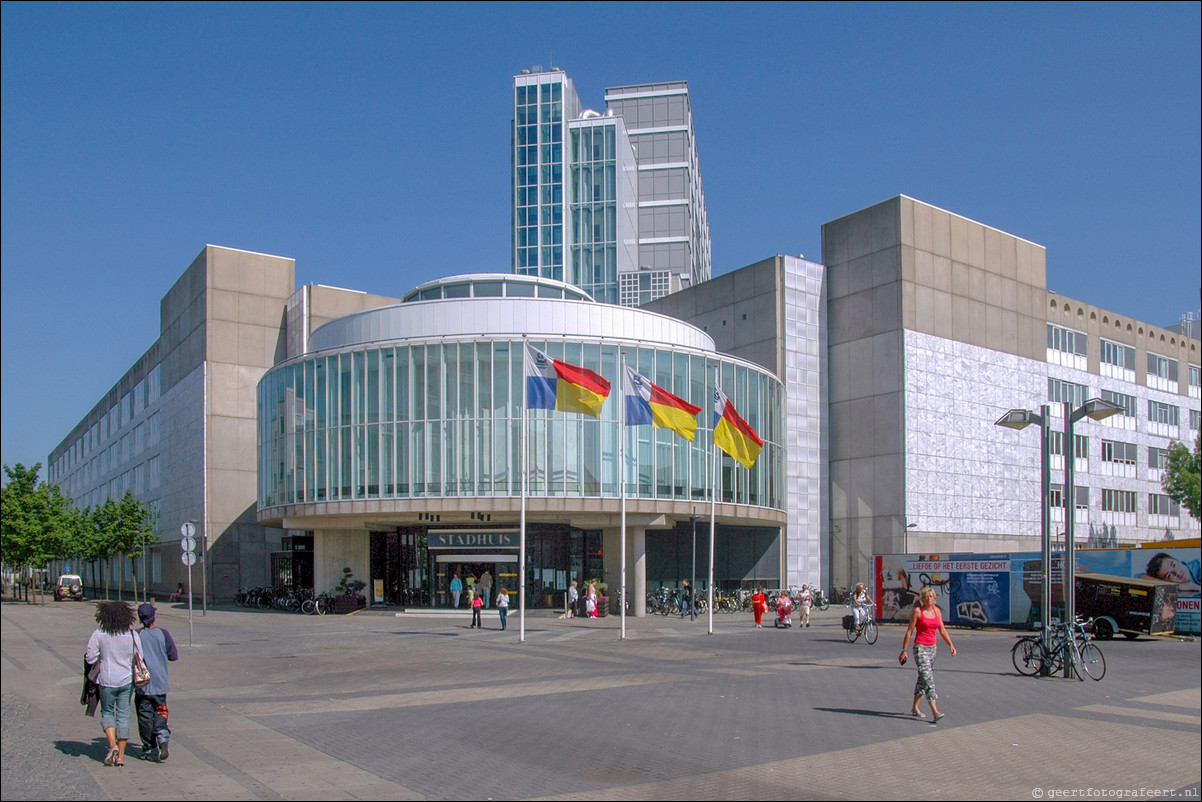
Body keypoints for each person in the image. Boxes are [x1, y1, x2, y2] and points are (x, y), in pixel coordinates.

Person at [85, 601, 143, 767]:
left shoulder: (99, 633)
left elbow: (90, 657)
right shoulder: (132, 635)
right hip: (126, 680)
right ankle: (121, 757)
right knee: (124, 714)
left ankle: (112, 745)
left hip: (107, 680)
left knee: (108, 711)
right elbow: (140, 655)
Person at [899, 586, 957, 722]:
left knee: (922, 679)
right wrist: (904, 650)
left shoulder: (937, 611)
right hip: (920, 648)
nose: (929, 599)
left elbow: (942, 629)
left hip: (932, 649)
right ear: (922, 599)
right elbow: (909, 631)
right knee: (929, 679)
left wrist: (951, 645)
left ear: (934, 599)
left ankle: (915, 708)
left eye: (931, 596)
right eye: (926, 597)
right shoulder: (918, 612)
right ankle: (935, 711)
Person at [135, 603, 179, 761]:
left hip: (143, 685)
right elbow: (173, 655)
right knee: (161, 711)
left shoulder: (136, 635)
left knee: (144, 716)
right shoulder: (163, 633)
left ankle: (148, 748)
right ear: (154, 617)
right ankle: (163, 737)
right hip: (160, 684)